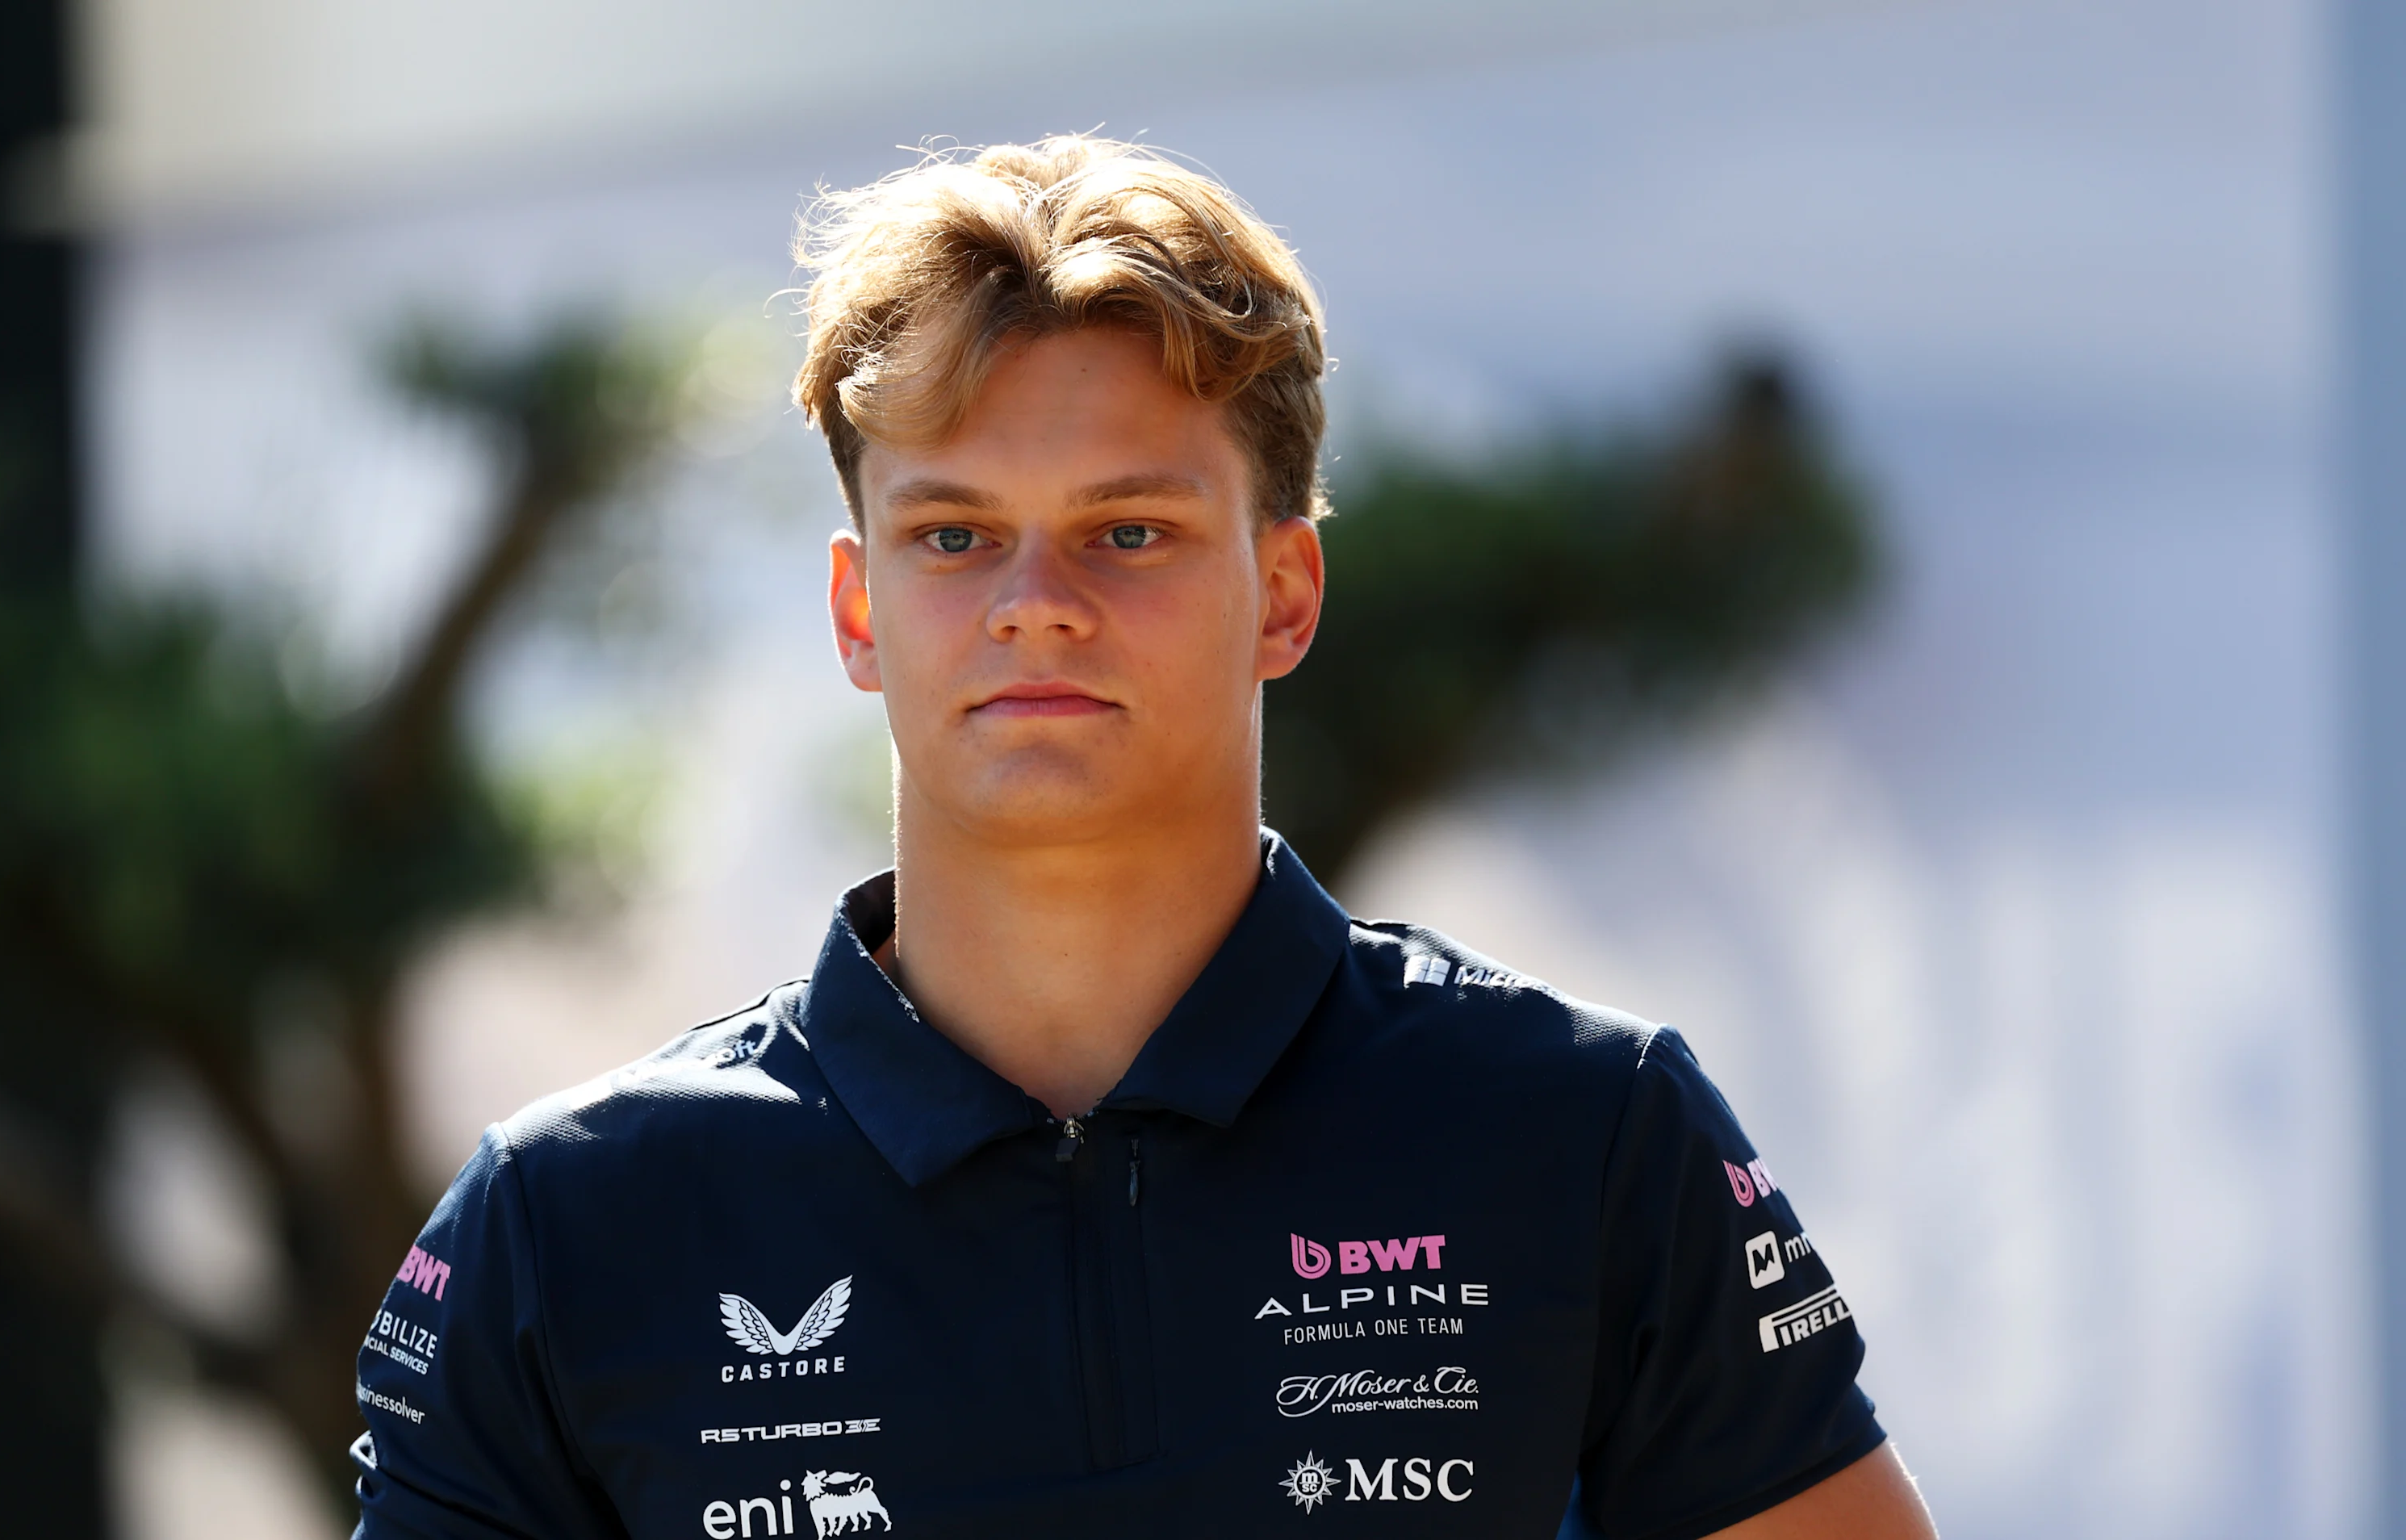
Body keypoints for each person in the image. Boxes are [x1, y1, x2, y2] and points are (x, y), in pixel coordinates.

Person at [347, 135, 1937, 1540]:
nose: (1035, 598)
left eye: (1129, 532)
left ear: (1287, 593)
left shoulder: (1587, 1134)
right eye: (953, 535)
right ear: (857, 610)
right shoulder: (565, 1224)